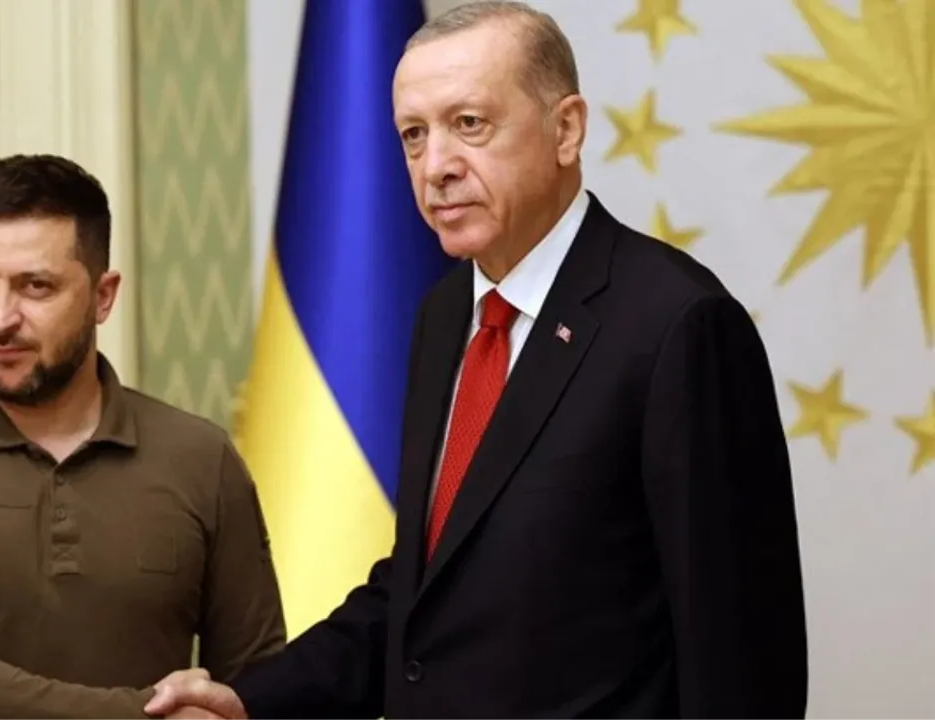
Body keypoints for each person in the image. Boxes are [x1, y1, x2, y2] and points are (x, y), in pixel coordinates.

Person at [144, 3, 808, 719]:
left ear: (566, 129)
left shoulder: (676, 325)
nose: (436, 167)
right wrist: (249, 701)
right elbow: (425, 592)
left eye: (469, 124)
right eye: (413, 135)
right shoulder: (442, 316)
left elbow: (741, 657)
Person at [0, 153, 285, 720]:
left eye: (35, 286)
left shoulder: (200, 458)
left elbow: (258, 691)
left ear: (102, 296)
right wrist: (141, 716)